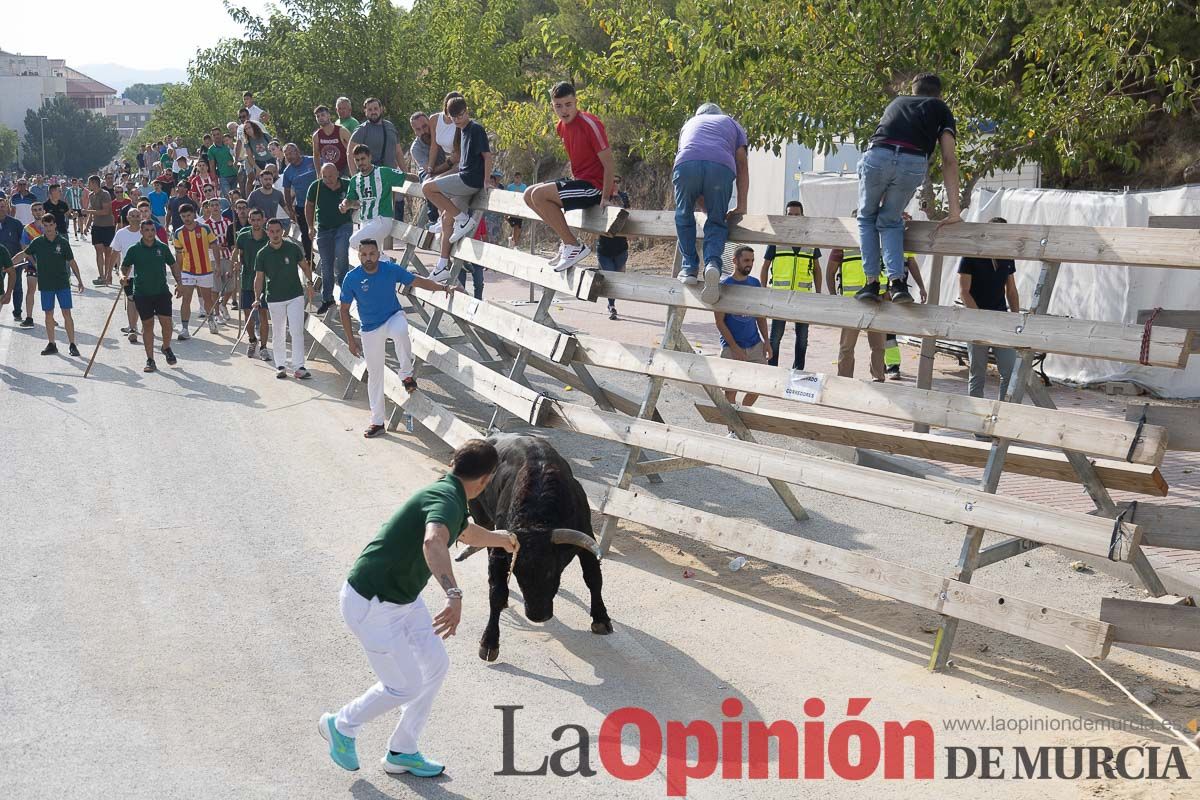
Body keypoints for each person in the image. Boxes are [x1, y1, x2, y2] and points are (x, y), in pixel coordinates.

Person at [319, 439, 517, 774]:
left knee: (435, 664)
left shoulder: (451, 493)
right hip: (372, 604)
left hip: (402, 599)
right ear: (485, 480)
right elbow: (433, 539)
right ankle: (341, 725)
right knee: (403, 685)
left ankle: (402, 750)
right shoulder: (446, 499)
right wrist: (453, 594)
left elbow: (464, 532)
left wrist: (502, 539)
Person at [857, 72, 960, 304]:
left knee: (867, 217)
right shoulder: (941, 109)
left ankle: (871, 284)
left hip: (878, 155)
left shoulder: (896, 103)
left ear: (912, 90)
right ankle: (897, 283)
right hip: (913, 161)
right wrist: (955, 211)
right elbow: (949, 159)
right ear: (939, 94)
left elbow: (885, 141)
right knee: (891, 220)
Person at [339, 238, 455, 437]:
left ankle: (406, 374)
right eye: (364, 254)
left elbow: (418, 280)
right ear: (359, 256)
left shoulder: (390, 269)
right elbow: (344, 310)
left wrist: (444, 288)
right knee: (375, 376)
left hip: (393, 317)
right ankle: (377, 422)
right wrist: (350, 340)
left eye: (372, 253)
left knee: (401, 331)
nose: (368, 258)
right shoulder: (351, 278)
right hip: (369, 328)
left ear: (378, 253)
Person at [524, 82, 613, 272]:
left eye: (568, 104)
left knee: (539, 194)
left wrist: (605, 196)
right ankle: (567, 243)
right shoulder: (560, 127)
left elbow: (609, 164)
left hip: (594, 187)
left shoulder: (591, 123)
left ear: (576, 102)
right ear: (552, 106)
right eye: (558, 106)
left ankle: (573, 246)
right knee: (528, 195)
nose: (564, 110)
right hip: (580, 183)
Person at [672, 103, 749, 304]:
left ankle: (689, 267)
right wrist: (741, 206)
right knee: (716, 221)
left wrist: (701, 201)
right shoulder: (731, 123)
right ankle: (712, 264)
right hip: (721, 167)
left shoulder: (689, 124)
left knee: (683, 214)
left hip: (686, 163)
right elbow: (742, 165)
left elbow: (694, 164)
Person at [421, 97, 491, 281]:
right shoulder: (462, 130)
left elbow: (487, 156)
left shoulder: (475, 128)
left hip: (469, 180)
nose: (458, 120)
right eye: (454, 118)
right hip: (463, 178)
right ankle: (442, 265)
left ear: (467, 111)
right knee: (445, 218)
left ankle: (463, 219)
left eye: (461, 115)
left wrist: (486, 180)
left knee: (428, 188)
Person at [959, 217, 1020, 400]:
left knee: (1009, 372)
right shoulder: (971, 254)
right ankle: (976, 423)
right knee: (978, 374)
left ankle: (1002, 416)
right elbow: (964, 292)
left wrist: (1015, 319)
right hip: (976, 321)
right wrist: (980, 319)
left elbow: (1011, 290)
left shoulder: (1007, 256)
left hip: (1001, 320)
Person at [758, 201, 821, 370]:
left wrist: (818, 293)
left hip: (804, 297)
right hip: (779, 296)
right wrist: (764, 291)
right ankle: (772, 369)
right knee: (775, 337)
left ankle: (798, 370)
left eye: (796, 214)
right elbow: (764, 268)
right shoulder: (776, 239)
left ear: (802, 216)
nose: (793, 217)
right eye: (790, 214)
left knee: (802, 338)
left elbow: (817, 269)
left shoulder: (810, 241)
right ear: (785, 216)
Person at [826, 213, 886, 382]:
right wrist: (833, 296)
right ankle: (845, 380)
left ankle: (878, 379)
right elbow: (830, 271)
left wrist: (887, 291)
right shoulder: (843, 244)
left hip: (877, 300)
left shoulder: (880, 242)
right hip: (852, 302)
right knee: (846, 346)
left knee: (879, 346)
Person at [253, 217, 314, 379]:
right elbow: (259, 278)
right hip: (274, 298)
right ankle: (280, 365)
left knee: (296, 332)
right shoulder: (262, 254)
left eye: (277, 231)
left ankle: (299, 366)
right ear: (267, 232)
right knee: (279, 333)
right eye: (271, 231)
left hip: (295, 295)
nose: (275, 234)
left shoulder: (293, 248)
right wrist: (257, 298)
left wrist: (309, 282)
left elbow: (305, 266)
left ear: (282, 232)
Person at [17, 214, 84, 356]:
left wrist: (79, 280)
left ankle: (72, 344)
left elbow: (72, 262)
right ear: (42, 225)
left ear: (55, 225)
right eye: (45, 225)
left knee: (67, 313)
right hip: (46, 284)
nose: (48, 228)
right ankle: (52, 344)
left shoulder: (63, 242)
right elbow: (24, 253)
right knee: (48, 314)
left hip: (62, 283)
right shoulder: (37, 242)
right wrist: (8, 263)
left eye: (51, 225)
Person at [121, 218, 181, 372]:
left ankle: (166, 347)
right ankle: (150, 360)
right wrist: (123, 276)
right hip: (142, 293)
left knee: (167, 324)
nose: (150, 233)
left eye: (152, 230)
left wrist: (179, 283)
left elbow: (173, 265)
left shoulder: (162, 247)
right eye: (146, 230)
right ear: (141, 232)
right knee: (148, 325)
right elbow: (124, 266)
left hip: (161, 291)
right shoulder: (135, 249)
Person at [713, 246, 770, 407]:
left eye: (752, 261)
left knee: (760, 384)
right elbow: (719, 322)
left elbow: (760, 316)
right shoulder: (724, 285)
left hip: (755, 345)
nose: (750, 264)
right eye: (746, 260)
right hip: (731, 348)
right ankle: (732, 430)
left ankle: (742, 415)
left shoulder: (755, 283)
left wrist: (766, 341)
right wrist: (734, 347)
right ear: (734, 261)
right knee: (731, 391)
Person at [342, 144, 408, 253]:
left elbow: (406, 176)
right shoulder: (355, 180)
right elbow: (350, 200)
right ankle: (387, 263)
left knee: (354, 242)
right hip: (365, 222)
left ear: (370, 157)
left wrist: (425, 182)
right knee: (372, 254)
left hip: (381, 220)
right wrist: (344, 205)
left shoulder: (383, 172)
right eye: (357, 160)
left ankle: (387, 263)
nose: (360, 163)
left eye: (363, 159)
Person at [307, 163, 354, 314]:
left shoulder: (347, 184)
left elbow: (359, 201)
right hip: (324, 228)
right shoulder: (316, 186)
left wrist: (349, 205)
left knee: (341, 254)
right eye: (324, 176)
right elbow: (309, 206)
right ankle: (327, 298)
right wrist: (310, 226)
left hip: (343, 225)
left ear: (337, 174)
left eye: (331, 176)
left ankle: (345, 291)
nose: (328, 179)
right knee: (326, 265)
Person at [172, 203, 222, 338]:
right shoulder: (178, 233)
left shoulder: (205, 229)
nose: (186, 218)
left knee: (207, 298)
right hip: (188, 271)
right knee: (186, 299)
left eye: (188, 215)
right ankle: (185, 328)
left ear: (194, 214)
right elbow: (179, 256)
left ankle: (210, 319)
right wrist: (179, 278)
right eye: (183, 216)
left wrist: (217, 265)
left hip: (205, 270)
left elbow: (214, 246)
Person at [233, 208, 272, 360]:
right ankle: (252, 340)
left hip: (264, 281)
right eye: (253, 220)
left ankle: (263, 347)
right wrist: (236, 263)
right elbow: (237, 254)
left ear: (263, 220)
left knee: (263, 314)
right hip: (247, 279)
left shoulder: (269, 237)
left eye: (258, 220)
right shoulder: (243, 237)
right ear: (249, 220)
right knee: (248, 314)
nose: (256, 223)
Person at [111, 207, 149, 343]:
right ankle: (132, 329)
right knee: (132, 300)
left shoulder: (147, 231)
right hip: (128, 274)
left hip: (145, 274)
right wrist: (109, 272)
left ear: (141, 217)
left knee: (142, 301)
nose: (135, 218)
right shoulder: (121, 233)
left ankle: (144, 325)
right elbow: (115, 252)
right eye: (132, 215)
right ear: (128, 218)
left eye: (137, 215)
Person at [596, 175, 630, 320]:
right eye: (612, 181)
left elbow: (628, 214)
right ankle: (612, 306)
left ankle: (612, 303)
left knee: (618, 279)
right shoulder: (601, 197)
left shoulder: (624, 197)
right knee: (610, 278)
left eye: (617, 181)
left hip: (621, 247)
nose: (615, 184)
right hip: (604, 248)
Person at [408, 111, 450, 228]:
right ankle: (434, 218)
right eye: (418, 129)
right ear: (414, 131)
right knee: (427, 179)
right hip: (432, 172)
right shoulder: (416, 148)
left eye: (425, 126)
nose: (422, 131)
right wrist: (450, 162)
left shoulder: (442, 134)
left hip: (447, 169)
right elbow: (429, 169)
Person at [281, 143, 317, 260]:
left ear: (297, 151)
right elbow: (286, 192)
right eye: (286, 155)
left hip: (319, 201)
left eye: (291, 153)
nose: (289, 156)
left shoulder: (313, 161)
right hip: (302, 206)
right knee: (306, 234)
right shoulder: (287, 172)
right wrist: (290, 210)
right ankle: (309, 258)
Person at [203, 199, 235, 320]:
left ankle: (223, 304)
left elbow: (232, 238)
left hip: (228, 256)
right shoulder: (206, 225)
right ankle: (217, 314)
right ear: (208, 208)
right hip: (212, 258)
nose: (215, 207)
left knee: (230, 286)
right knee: (215, 288)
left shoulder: (228, 222)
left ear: (220, 207)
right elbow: (204, 243)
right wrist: (214, 246)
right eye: (212, 205)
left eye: (217, 205)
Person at [349, 97, 402, 169]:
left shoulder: (390, 127)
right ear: (365, 111)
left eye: (375, 108)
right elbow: (350, 154)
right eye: (370, 110)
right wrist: (354, 177)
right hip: (371, 175)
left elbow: (398, 152)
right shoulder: (362, 130)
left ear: (381, 109)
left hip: (390, 175)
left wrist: (405, 173)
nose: (373, 112)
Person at [84, 175, 116, 286]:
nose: (88, 185)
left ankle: (108, 276)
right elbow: (91, 210)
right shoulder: (91, 195)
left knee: (108, 253)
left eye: (89, 183)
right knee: (98, 251)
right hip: (97, 226)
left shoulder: (105, 194)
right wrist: (87, 224)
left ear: (94, 183)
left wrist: (88, 212)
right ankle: (101, 276)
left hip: (108, 226)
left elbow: (105, 211)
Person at [0, 200, 23, 320]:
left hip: (15, 261)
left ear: (8, 208)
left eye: (3, 206)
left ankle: (18, 312)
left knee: (17, 286)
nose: (1, 209)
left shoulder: (16, 223)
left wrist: (23, 259)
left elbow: (23, 243)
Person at [313, 105, 351, 176]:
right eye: (317, 116)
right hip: (329, 172)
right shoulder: (316, 136)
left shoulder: (342, 131)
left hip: (345, 169)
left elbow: (353, 150)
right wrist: (318, 173)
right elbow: (316, 155)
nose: (320, 118)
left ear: (328, 116)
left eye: (322, 115)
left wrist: (351, 168)